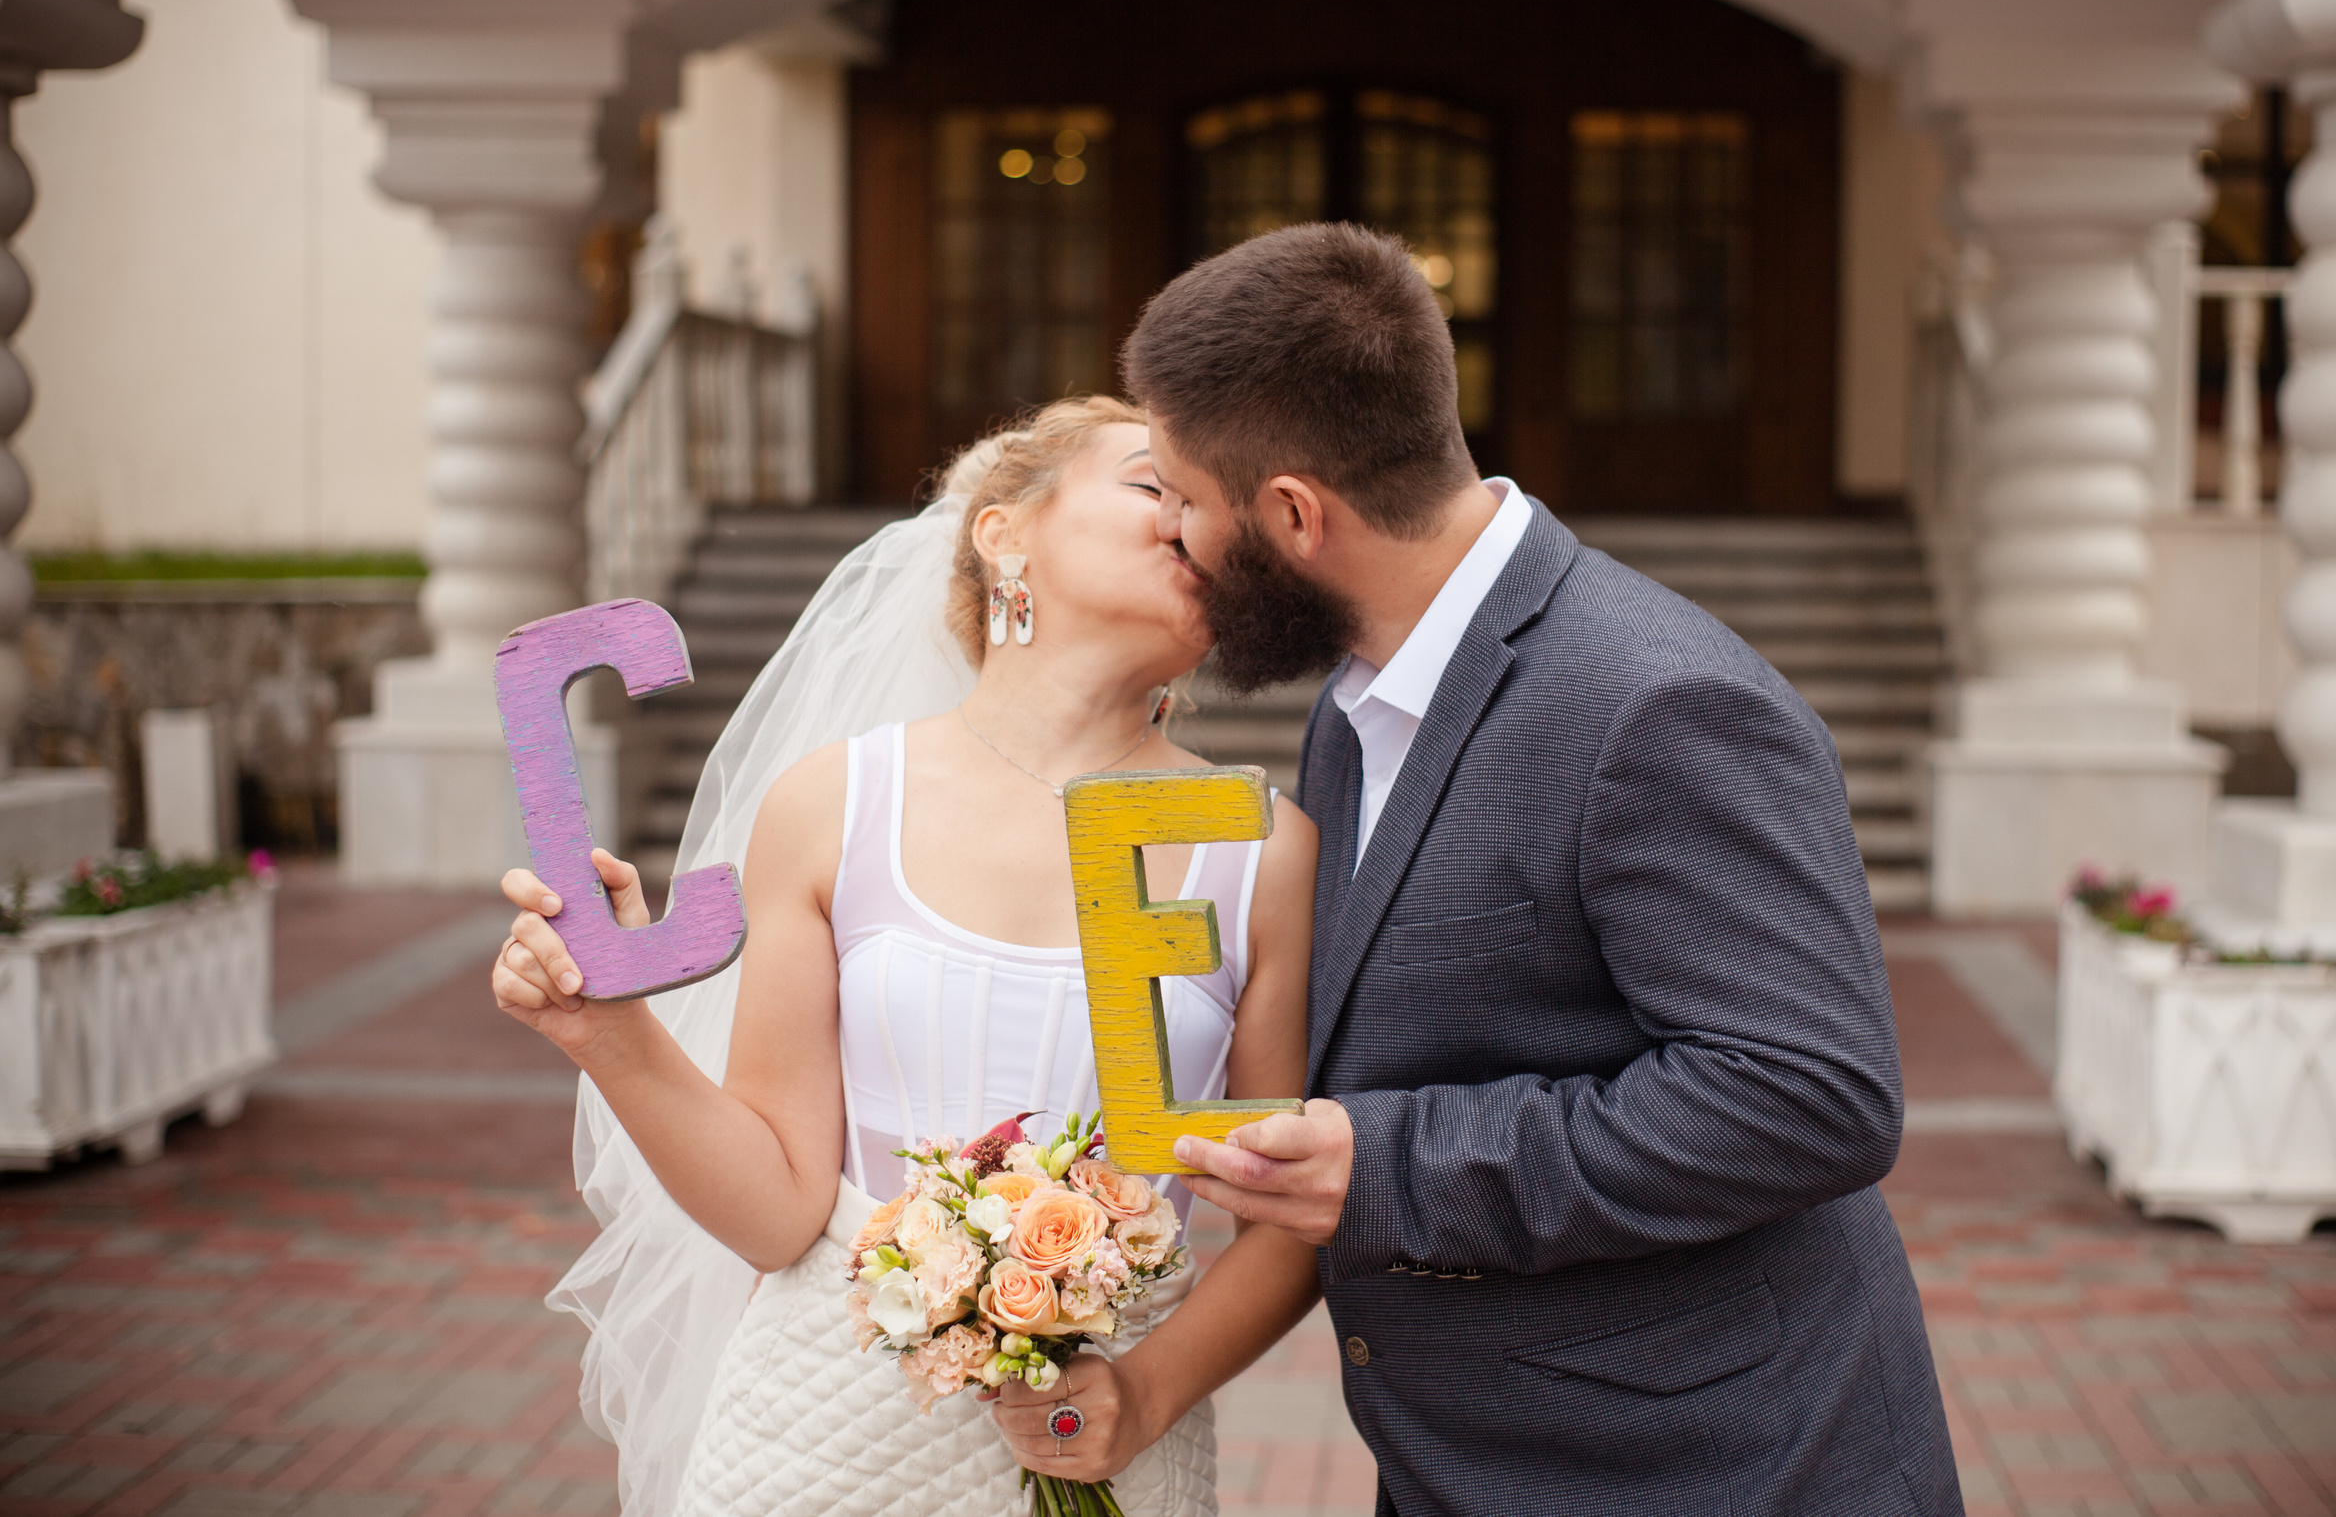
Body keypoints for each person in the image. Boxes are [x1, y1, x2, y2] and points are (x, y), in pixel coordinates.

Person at [1124, 223, 1964, 1515]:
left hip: (1714, 1473)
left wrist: (1389, 1165)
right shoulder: (1355, 700)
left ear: (1294, 512)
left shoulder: (1657, 701)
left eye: (1183, 499)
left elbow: (1812, 1093)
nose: (1172, 536)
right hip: (1473, 1464)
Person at [490, 396, 1323, 1517]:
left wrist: (1144, 1391)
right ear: (1004, 533)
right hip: (820, 1442)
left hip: (1107, 1448)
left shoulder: (1264, 849)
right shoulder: (836, 804)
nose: (1194, 518)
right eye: (1150, 483)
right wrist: (610, 1036)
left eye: (1216, 508)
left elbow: (1285, 1218)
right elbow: (780, 1211)